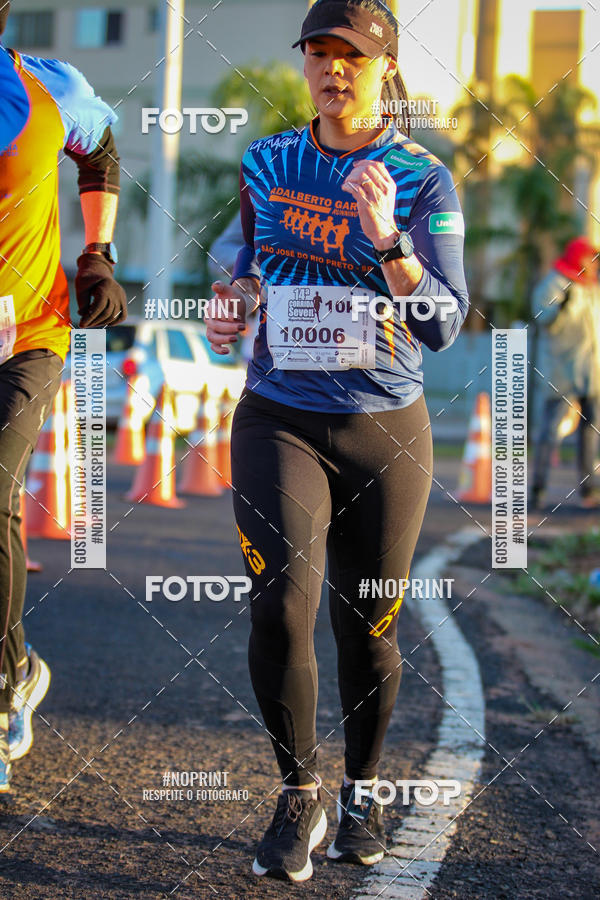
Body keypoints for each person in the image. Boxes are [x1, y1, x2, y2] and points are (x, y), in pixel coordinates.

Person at [207, 0, 468, 882]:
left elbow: (443, 324)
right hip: (279, 414)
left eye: (351, 54)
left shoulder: (422, 177)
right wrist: (233, 303)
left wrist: (389, 238)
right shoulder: (267, 161)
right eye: (318, 52)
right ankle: (299, 794)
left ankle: (363, 789)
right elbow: (245, 265)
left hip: (385, 429)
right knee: (281, 604)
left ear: (385, 68)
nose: (332, 68)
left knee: (368, 625)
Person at [0, 0, 127, 792]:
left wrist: (97, 255)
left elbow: (102, 148)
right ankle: (17, 665)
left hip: (29, 336)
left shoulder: (47, 87)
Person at [531, 236, 600, 510]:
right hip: (562, 370)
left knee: (591, 430)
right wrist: (561, 306)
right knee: (550, 430)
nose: (593, 263)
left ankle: (588, 489)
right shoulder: (555, 283)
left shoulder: (592, 287)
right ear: (576, 257)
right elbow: (544, 319)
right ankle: (538, 489)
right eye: (588, 258)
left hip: (591, 371)